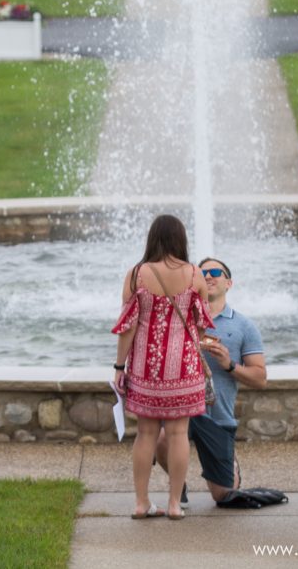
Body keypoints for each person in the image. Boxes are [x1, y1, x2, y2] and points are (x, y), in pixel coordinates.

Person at [111, 215, 213, 520]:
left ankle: (141, 503)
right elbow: (202, 325)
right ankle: (172, 505)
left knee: (145, 434)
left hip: (145, 368)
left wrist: (119, 366)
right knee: (179, 434)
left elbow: (127, 327)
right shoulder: (195, 275)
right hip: (183, 368)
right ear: (180, 239)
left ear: (152, 238)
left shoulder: (135, 275)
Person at [156, 256, 267, 504]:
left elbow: (260, 378)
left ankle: (229, 463)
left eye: (215, 272)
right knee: (162, 439)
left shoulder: (244, 326)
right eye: (201, 273)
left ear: (229, 283)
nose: (208, 276)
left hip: (219, 417)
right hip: (184, 408)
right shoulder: (181, 320)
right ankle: (178, 483)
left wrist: (229, 365)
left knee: (224, 497)